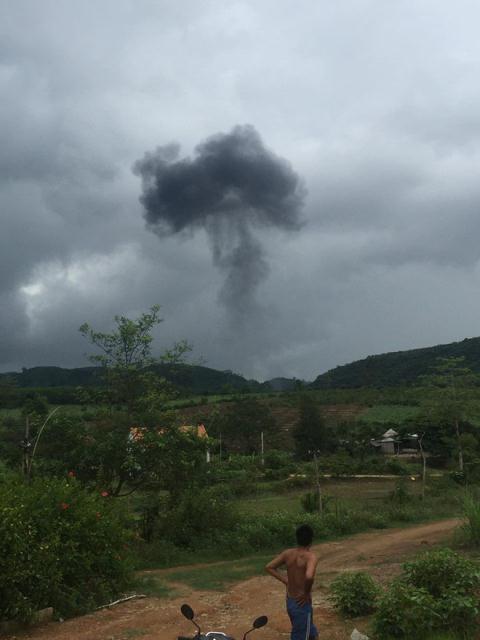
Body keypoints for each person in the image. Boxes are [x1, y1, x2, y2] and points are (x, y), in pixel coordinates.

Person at [265, 524, 319, 640]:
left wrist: (286, 581)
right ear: (311, 540)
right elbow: (309, 577)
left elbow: (269, 567)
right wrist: (306, 592)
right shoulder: (311, 557)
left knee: (310, 631)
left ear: (297, 538)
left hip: (291, 600)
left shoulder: (288, 553)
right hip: (302, 602)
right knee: (300, 634)